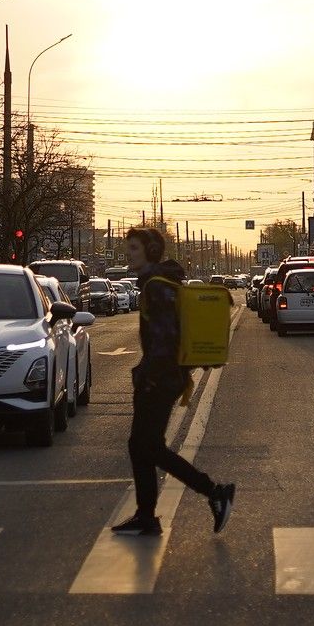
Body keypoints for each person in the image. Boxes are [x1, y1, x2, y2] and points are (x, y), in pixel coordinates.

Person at [110, 225, 235, 537]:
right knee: (143, 446)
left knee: (148, 447)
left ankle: (214, 492)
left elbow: (165, 340)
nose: (129, 253)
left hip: (160, 380)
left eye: (135, 248)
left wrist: (147, 376)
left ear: (151, 252)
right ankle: (147, 515)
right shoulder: (160, 283)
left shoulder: (156, 286)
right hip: (165, 377)